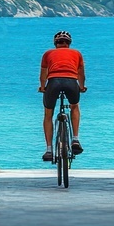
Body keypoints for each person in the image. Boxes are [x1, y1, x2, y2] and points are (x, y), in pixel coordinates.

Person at [38, 30, 87, 161]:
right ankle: (75, 139)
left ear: (55, 43)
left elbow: (43, 75)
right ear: (69, 43)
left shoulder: (47, 53)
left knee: (48, 114)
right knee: (74, 107)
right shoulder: (77, 53)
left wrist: (43, 87)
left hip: (53, 82)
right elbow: (81, 74)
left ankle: (48, 150)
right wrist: (81, 87)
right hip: (71, 82)